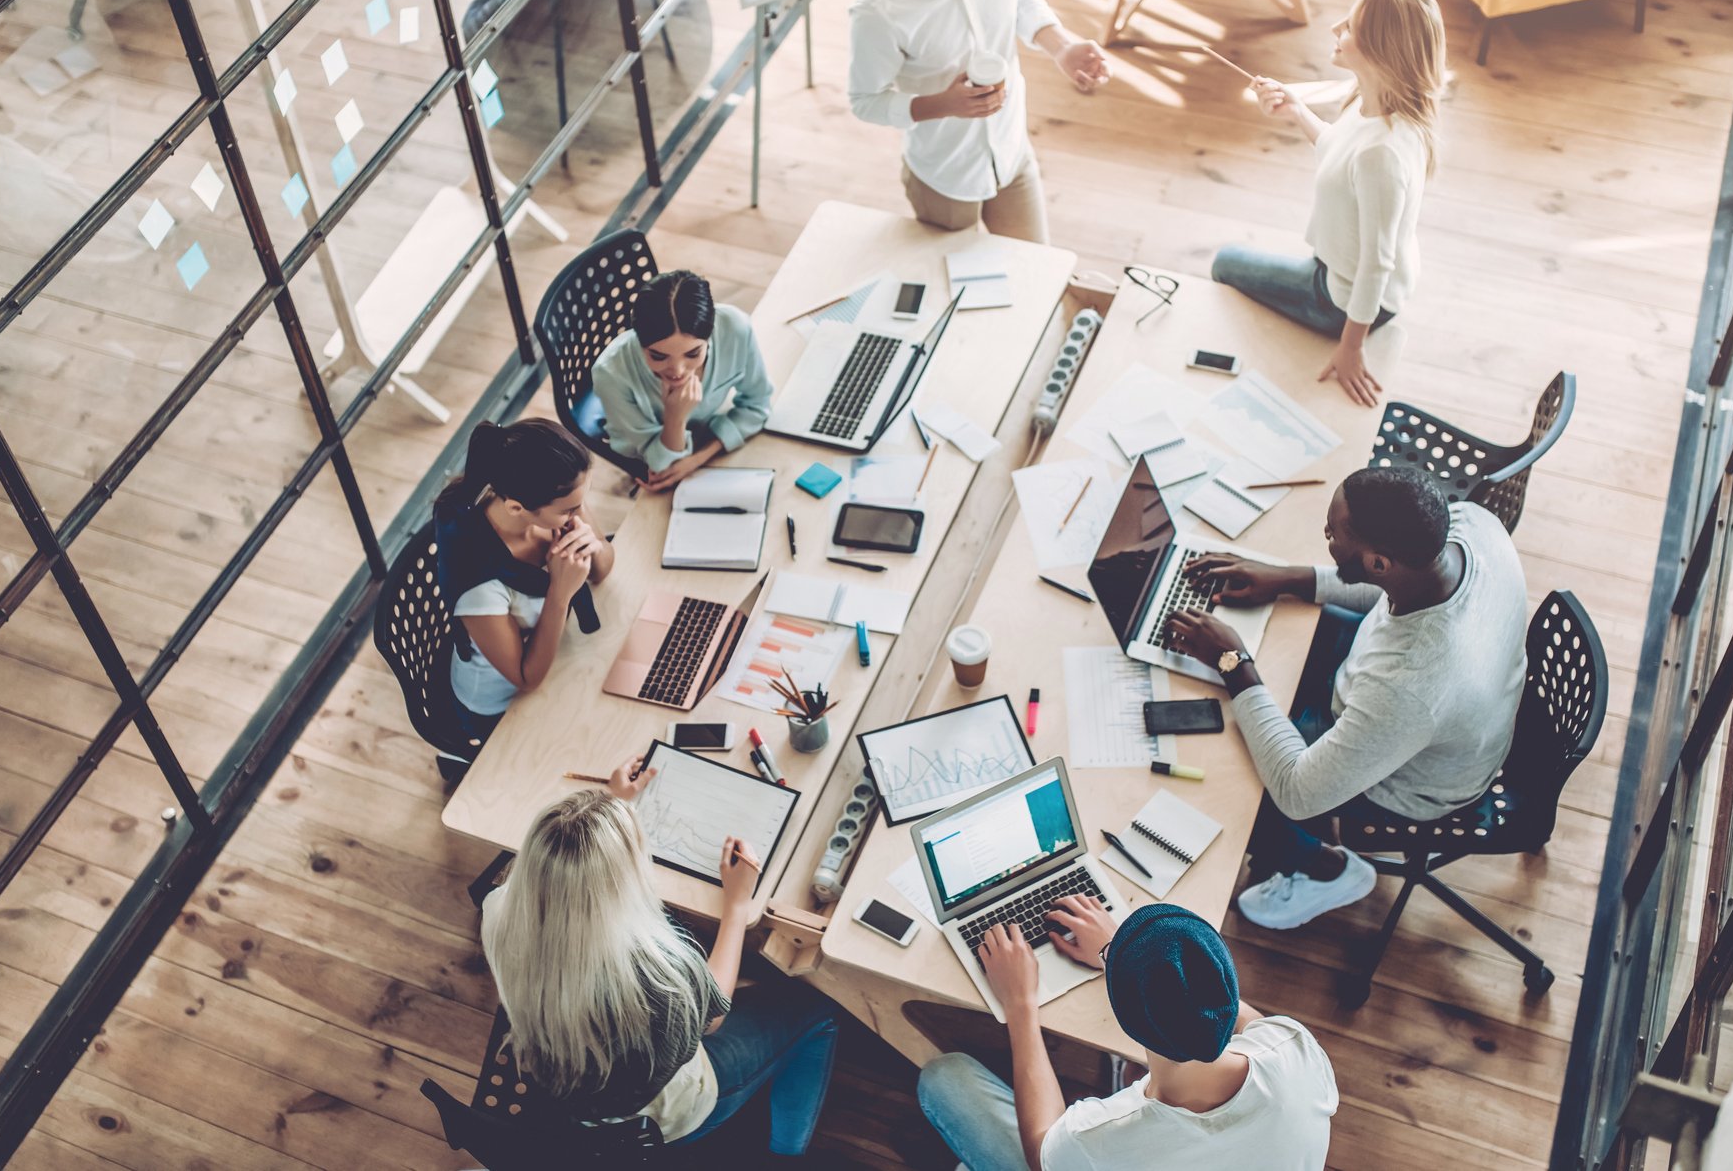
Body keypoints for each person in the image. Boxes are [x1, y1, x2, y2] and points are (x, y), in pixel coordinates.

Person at [1165, 465, 1528, 931]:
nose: (1326, 536)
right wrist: (1287, 579)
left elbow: (1299, 793)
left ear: (1377, 563)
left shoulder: (1413, 683)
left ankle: (1328, 869)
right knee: (1272, 670)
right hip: (1411, 696)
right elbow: (1389, 591)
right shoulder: (1472, 525)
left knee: (1229, 781)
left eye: (1334, 534)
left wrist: (1233, 661)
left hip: (1414, 781)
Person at [480, 764, 840, 1154]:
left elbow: (565, 877)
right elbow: (714, 1016)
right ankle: (786, 1152)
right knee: (819, 1012)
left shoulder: (498, 911)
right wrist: (737, 904)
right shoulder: (657, 976)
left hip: (570, 1088)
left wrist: (610, 806)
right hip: (668, 1116)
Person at [916, 899, 1336, 1169]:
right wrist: (1122, 955)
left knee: (944, 1077)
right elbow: (1244, 1018)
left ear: (1125, 1018)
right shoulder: (1293, 1047)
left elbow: (1042, 1150)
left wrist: (1020, 1005)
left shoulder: (1104, 1139)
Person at [848, 0, 1112, 243]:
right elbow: (865, 101)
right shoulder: (879, 7)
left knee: (1035, 270)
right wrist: (944, 105)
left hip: (1011, 152)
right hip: (944, 174)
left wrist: (1062, 47)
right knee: (957, 290)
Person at [1210, 0, 1446, 406]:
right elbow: (1341, 155)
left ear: (1380, 49)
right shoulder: (1376, 102)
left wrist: (1351, 347)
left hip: (1340, 297)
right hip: (1354, 272)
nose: (1336, 28)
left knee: (1224, 263)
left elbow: (1376, 264)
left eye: (1350, 26)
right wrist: (1297, 110)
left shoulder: (1383, 155)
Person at [434, 419, 614, 735]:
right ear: (517, 508)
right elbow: (525, 678)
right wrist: (561, 591)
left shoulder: (554, 498)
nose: (578, 513)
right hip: (500, 705)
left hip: (558, 652)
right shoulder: (480, 583)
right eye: (570, 510)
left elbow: (603, 570)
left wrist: (593, 546)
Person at [592, 269, 773, 494]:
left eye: (693, 354)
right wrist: (675, 417)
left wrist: (697, 458)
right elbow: (662, 465)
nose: (678, 371)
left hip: (703, 437)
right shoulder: (610, 373)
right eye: (658, 356)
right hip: (647, 448)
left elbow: (758, 403)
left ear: (710, 335)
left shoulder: (735, 328)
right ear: (639, 341)